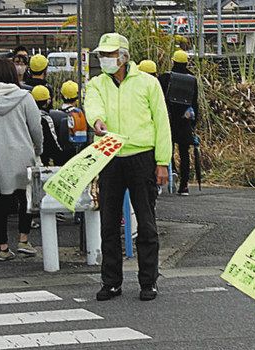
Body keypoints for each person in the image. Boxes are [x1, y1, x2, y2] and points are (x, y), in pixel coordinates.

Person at [85, 33, 171, 301]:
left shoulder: (148, 83)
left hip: (142, 157)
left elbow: (162, 122)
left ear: (123, 55)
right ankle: (111, 282)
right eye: (103, 55)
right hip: (109, 157)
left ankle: (149, 281)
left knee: (146, 223)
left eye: (110, 55)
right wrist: (96, 121)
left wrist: (162, 162)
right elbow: (93, 105)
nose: (105, 60)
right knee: (108, 223)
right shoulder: (97, 84)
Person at [0, 58, 43, 261]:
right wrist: (38, 149)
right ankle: (23, 240)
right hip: (23, 155)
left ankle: (3, 248)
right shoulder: (25, 97)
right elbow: (36, 128)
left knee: (0, 204)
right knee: (27, 199)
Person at [159, 50, 199, 196]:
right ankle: (184, 186)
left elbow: (159, 99)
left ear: (173, 61)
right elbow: (195, 104)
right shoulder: (192, 79)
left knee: (167, 150)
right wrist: (193, 124)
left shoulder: (165, 77)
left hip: (168, 120)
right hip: (185, 122)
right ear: (186, 62)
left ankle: (172, 172)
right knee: (184, 153)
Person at [32, 85, 74, 166]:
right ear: (48, 101)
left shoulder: (27, 116)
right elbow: (53, 145)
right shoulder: (46, 119)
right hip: (42, 161)